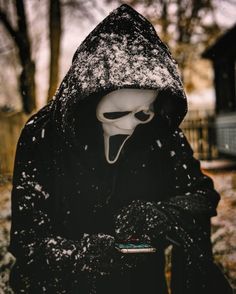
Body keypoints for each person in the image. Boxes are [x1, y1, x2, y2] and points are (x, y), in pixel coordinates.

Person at [9, 4, 232, 294]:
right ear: (90, 103)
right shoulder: (42, 137)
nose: (129, 126)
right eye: (115, 113)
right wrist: (80, 257)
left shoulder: (159, 134)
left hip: (141, 283)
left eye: (142, 113)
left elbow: (201, 195)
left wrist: (163, 214)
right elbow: (27, 240)